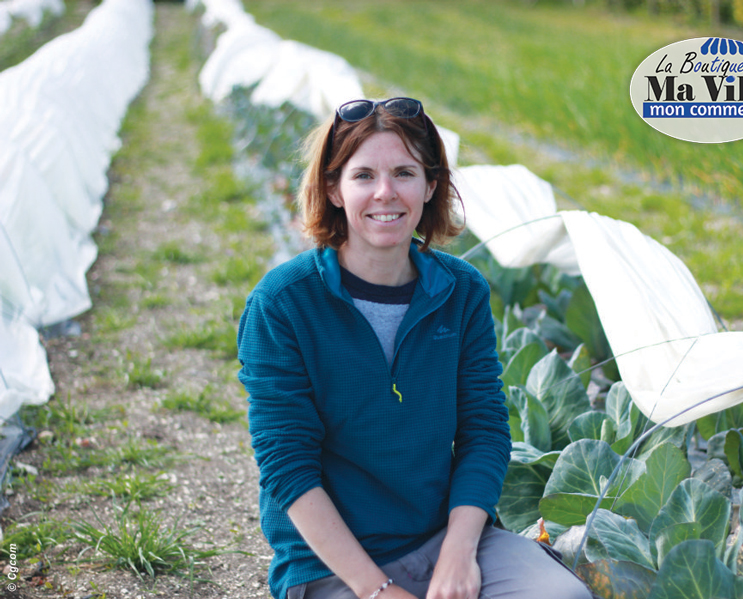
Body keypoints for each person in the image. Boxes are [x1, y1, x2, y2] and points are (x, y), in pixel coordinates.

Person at [238, 97, 595, 599]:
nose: (385, 193)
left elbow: (485, 432)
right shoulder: (283, 303)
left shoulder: (461, 290)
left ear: (431, 187)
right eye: (363, 175)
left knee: (566, 597)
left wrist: (457, 555)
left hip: (445, 538)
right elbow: (286, 464)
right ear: (333, 190)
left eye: (404, 172)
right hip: (334, 565)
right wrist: (377, 590)